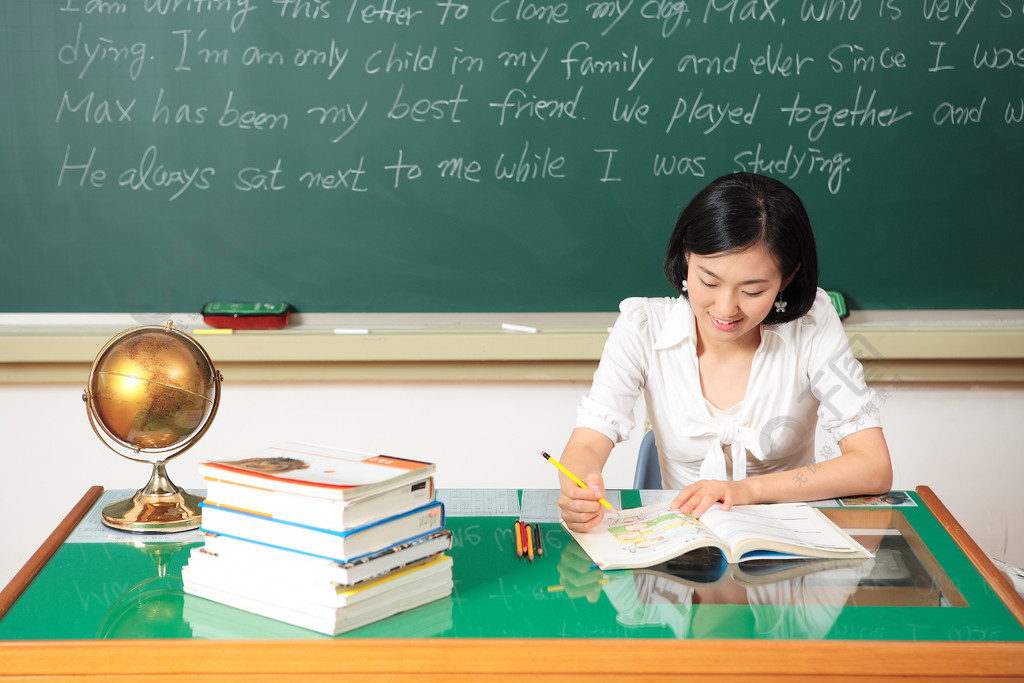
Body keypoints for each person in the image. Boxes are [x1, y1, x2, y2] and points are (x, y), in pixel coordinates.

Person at [557, 172, 892, 531]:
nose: (726, 308)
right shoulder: (643, 326)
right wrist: (578, 488)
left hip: (785, 544)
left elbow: (873, 465)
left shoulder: (813, 323)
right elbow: (589, 441)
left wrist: (748, 490)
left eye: (752, 291)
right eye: (709, 281)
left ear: (788, 277)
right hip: (683, 547)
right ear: (686, 254)